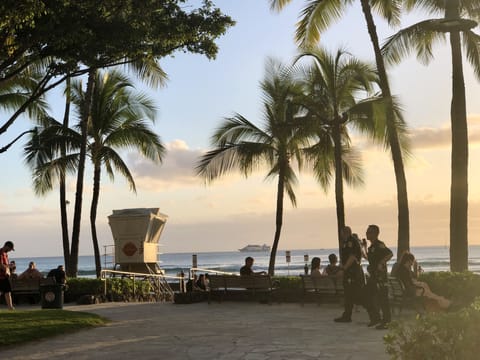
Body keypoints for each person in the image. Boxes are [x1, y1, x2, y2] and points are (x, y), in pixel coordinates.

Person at [334, 226, 366, 323]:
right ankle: (347, 315)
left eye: (341, 233)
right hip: (349, 272)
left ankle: (373, 311)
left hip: (352, 273)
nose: (341, 235)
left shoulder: (351, 242)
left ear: (345, 232)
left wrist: (344, 269)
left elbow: (352, 257)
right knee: (349, 294)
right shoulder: (347, 242)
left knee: (356, 293)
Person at [365, 224, 393, 330]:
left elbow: (390, 254)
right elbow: (371, 259)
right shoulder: (371, 247)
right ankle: (375, 318)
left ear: (375, 234)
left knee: (383, 299)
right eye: (367, 232)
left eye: (369, 232)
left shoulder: (379, 244)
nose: (367, 234)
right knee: (366, 296)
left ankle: (386, 322)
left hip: (380, 277)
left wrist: (381, 262)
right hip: (373, 276)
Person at [0, 241, 15, 310]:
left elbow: (5, 265)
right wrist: (8, 268)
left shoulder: (5, 254)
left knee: (7, 291)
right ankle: (10, 307)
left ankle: (10, 307)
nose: (9, 251)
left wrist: (9, 268)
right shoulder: (0, 253)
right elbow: (1, 265)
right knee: (6, 291)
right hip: (1, 276)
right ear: (6, 246)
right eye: (10, 249)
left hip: (5, 276)